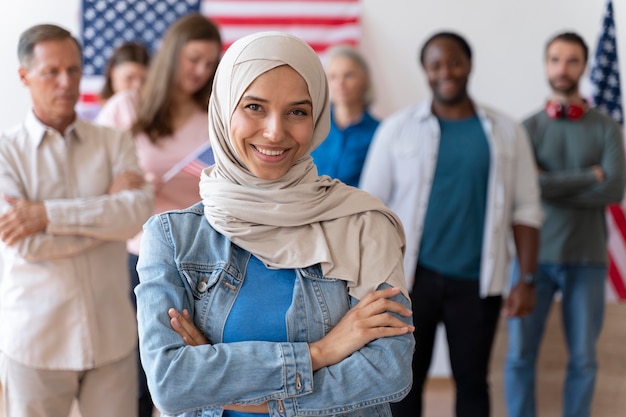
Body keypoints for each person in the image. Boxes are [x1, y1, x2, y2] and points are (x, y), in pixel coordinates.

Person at [134, 31, 415, 417]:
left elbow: (388, 373)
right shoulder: (172, 237)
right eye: (254, 107)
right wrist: (320, 353)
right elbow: (169, 384)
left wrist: (228, 390)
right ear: (224, 108)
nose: (274, 132)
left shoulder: (364, 224)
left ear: (316, 118)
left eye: (297, 111)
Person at [360, 31, 543, 417]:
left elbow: (526, 209)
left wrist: (525, 279)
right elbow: (370, 208)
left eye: (454, 62)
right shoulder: (397, 128)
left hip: (478, 283)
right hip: (410, 282)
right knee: (403, 380)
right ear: (425, 71)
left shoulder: (507, 132)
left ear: (469, 64)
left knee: (473, 381)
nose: (447, 71)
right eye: (436, 64)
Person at [0, 23, 154, 417]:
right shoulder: (6, 153)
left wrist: (47, 214)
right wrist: (105, 210)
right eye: (52, 71)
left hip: (113, 341)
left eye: (73, 69)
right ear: (24, 77)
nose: (66, 81)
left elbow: (135, 216)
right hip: (37, 344)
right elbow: (27, 242)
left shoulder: (113, 140)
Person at [96, 12, 222, 417]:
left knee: (191, 367)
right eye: (193, 59)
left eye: (210, 63)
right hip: (138, 255)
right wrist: (119, 187)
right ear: (171, 54)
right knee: (138, 366)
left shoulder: (214, 118)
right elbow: (88, 184)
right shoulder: (125, 108)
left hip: (201, 258)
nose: (201, 71)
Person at [504, 32, 625, 417]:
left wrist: (548, 184)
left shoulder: (606, 127)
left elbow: (613, 190)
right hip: (532, 260)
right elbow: (523, 190)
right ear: (545, 65)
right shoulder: (526, 128)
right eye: (556, 59)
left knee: (584, 359)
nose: (563, 68)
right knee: (520, 355)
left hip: (586, 259)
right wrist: (589, 176)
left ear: (584, 66)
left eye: (572, 60)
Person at [310, 44, 379, 187]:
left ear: (364, 79)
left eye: (348, 75)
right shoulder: (311, 124)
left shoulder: (380, 133)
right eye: (333, 77)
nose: (340, 84)